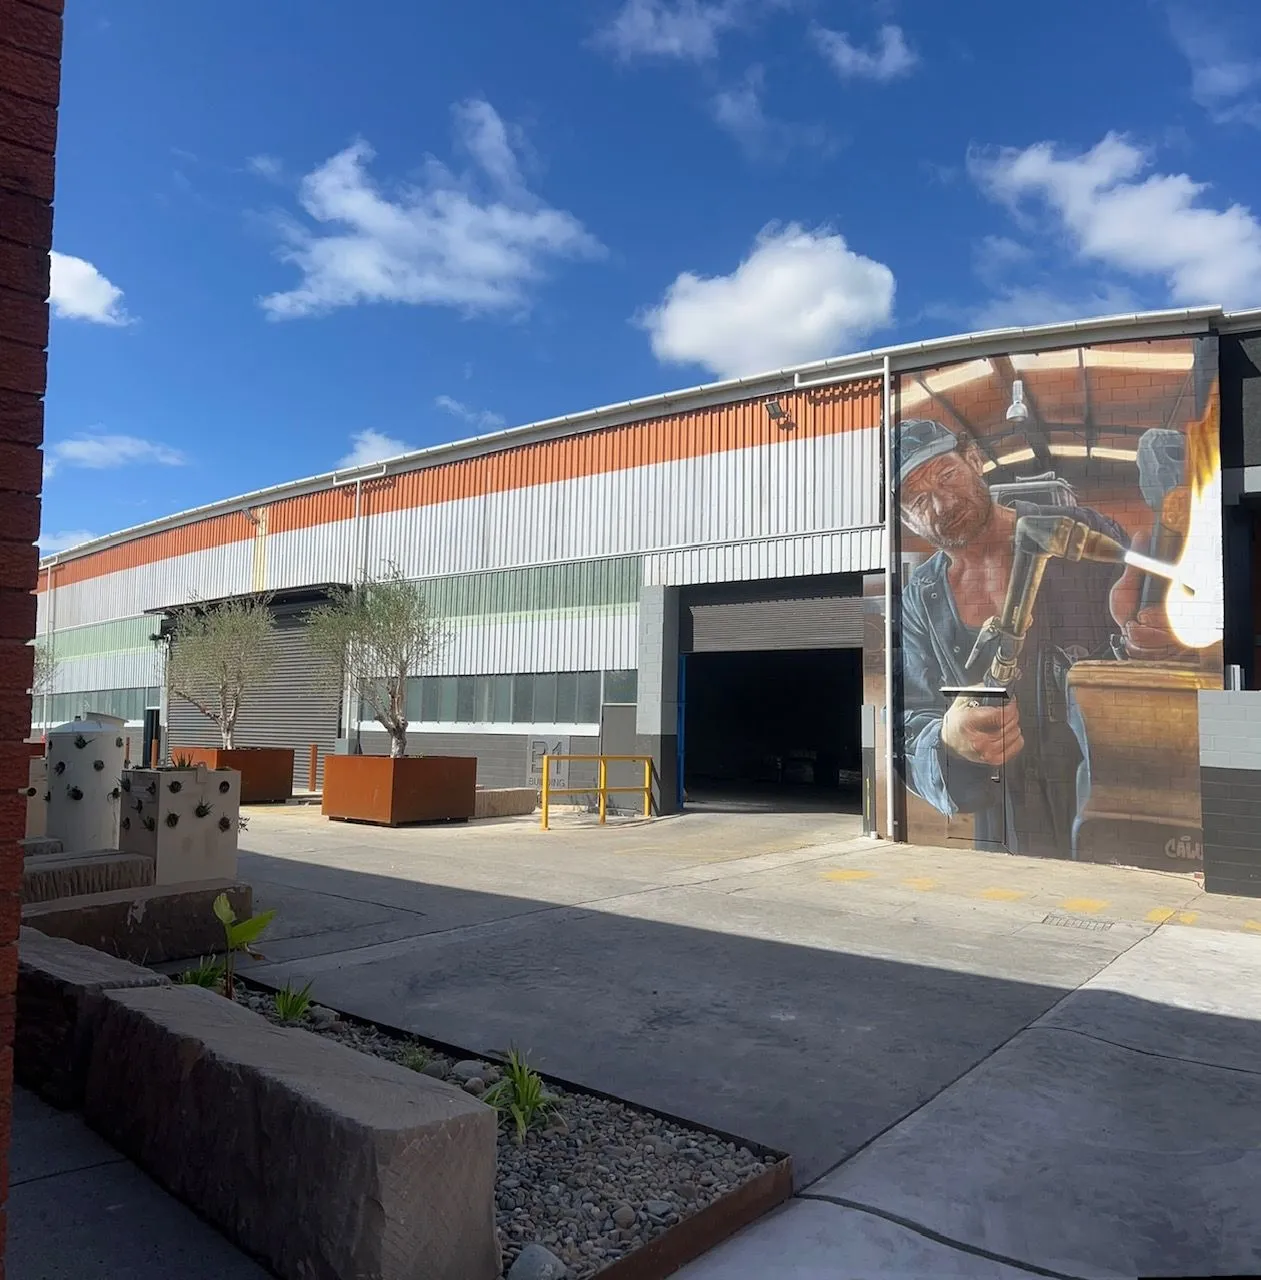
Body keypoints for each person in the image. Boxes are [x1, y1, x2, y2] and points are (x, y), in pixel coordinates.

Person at [897, 418, 1181, 858]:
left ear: (973, 459)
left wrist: (1154, 641)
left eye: (947, 475)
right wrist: (946, 740)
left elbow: (1158, 647)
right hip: (1003, 816)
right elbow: (910, 719)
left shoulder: (1080, 532)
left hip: (1100, 792)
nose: (942, 502)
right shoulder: (921, 598)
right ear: (906, 519)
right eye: (918, 499)